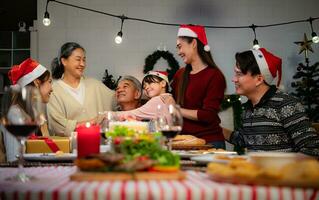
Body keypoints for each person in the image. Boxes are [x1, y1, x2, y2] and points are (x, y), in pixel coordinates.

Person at [223, 48, 319, 156]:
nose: (234, 79)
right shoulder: (248, 109)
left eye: (239, 74)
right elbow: (244, 140)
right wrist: (216, 129)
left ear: (259, 79)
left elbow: (312, 150)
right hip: (256, 171)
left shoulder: (286, 104)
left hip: (280, 172)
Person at [172, 24, 226, 149]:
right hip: (183, 143)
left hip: (209, 143)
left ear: (194, 43)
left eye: (180, 47)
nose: (179, 52)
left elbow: (208, 115)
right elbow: (169, 101)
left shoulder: (215, 76)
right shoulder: (180, 75)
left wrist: (176, 110)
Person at [47, 42, 114, 136]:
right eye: (78, 59)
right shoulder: (54, 91)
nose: (82, 64)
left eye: (84, 60)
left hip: (98, 145)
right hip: (69, 147)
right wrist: (92, 122)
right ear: (64, 61)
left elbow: (116, 100)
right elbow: (57, 126)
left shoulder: (94, 84)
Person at [1, 58, 52, 162]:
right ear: (37, 83)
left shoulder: (34, 115)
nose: (52, 88)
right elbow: (14, 159)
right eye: (49, 82)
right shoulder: (15, 114)